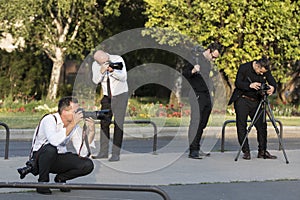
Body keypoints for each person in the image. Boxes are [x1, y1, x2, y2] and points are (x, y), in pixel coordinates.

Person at [31, 96, 95, 194]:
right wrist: (72, 124)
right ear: (64, 111)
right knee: (50, 149)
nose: (78, 114)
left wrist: (91, 132)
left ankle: (61, 179)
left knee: (87, 164)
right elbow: (54, 141)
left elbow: (82, 153)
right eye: (75, 111)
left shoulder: (74, 126)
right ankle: (42, 183)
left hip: (58, 157)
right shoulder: (49, 120)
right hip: (40, 158)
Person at [228, 56, 277, 160]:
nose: (262, 74)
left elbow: (272, 81)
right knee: (241, 126)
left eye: (264, 72)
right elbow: (238, 83)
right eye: (260, 72)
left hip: (257, 101)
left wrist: (272, 88)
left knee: (262, 125)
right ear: (257, 66)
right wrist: (250, 85)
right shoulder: (244, 67)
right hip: (242, 99)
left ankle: (262, 151)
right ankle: (246, 151)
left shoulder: (265, 70)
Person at [183, 42, 222, 159]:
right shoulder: (194, 58)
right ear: (209, 51)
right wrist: (193, 71)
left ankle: (197, 147)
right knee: (196, 121)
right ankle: (192, 150)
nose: (214, 60)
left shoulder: (207, 63)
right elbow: (184, 73)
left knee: (203, 122)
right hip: (196, 94)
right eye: (214, 57)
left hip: (206, 94)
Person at [91, 50, 128, 162]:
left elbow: (123, 77)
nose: (105, 63)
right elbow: (95, 81)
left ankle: (116, 153)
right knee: (104, 123)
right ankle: (103, 152)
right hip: (107, 96)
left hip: (120, 95)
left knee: (118, 124)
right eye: (101, 62)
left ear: (107, 55)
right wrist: (101, 71)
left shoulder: (118, 59)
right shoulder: (96, 65)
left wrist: (112, 72)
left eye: (105, 61)